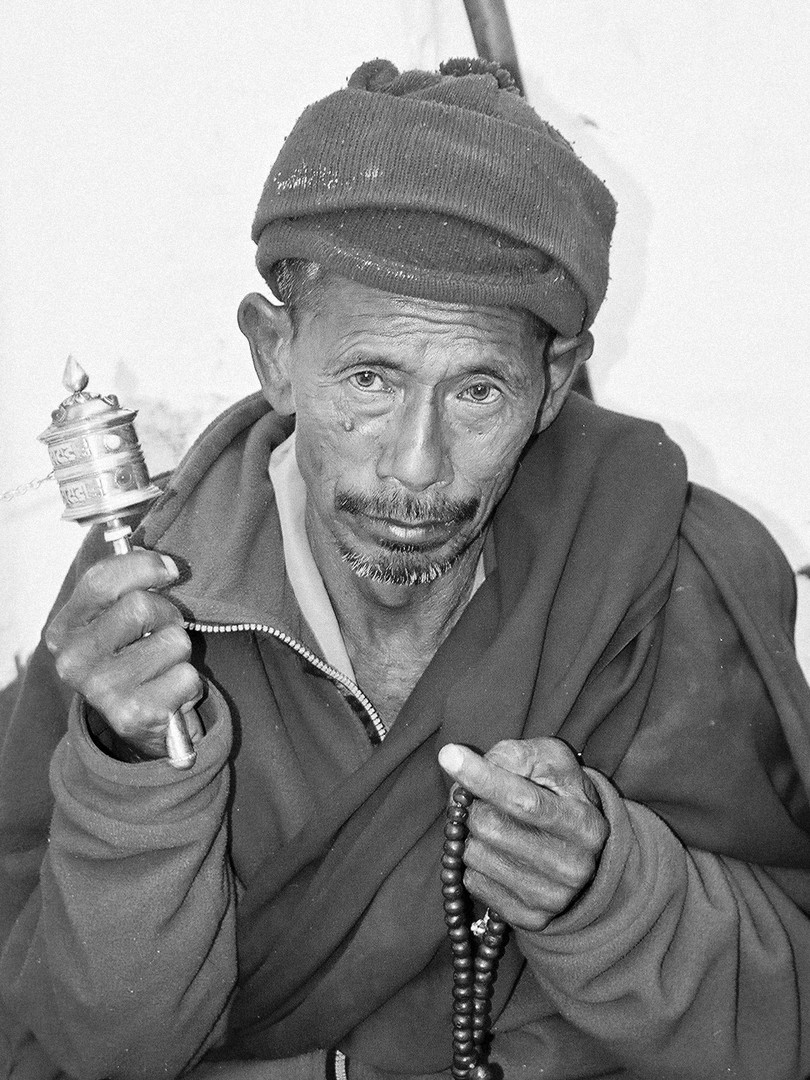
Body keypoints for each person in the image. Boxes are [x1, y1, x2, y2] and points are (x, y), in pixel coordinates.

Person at [1, 56, 810, 1080]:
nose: (417, 466)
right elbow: (81, 1050)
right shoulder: (152, 595)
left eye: (478, 393)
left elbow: (787, 1027)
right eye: (370, 380)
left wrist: (613, 895)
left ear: (555, 384)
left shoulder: (667, 570)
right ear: (274, 353)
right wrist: (134, 778)